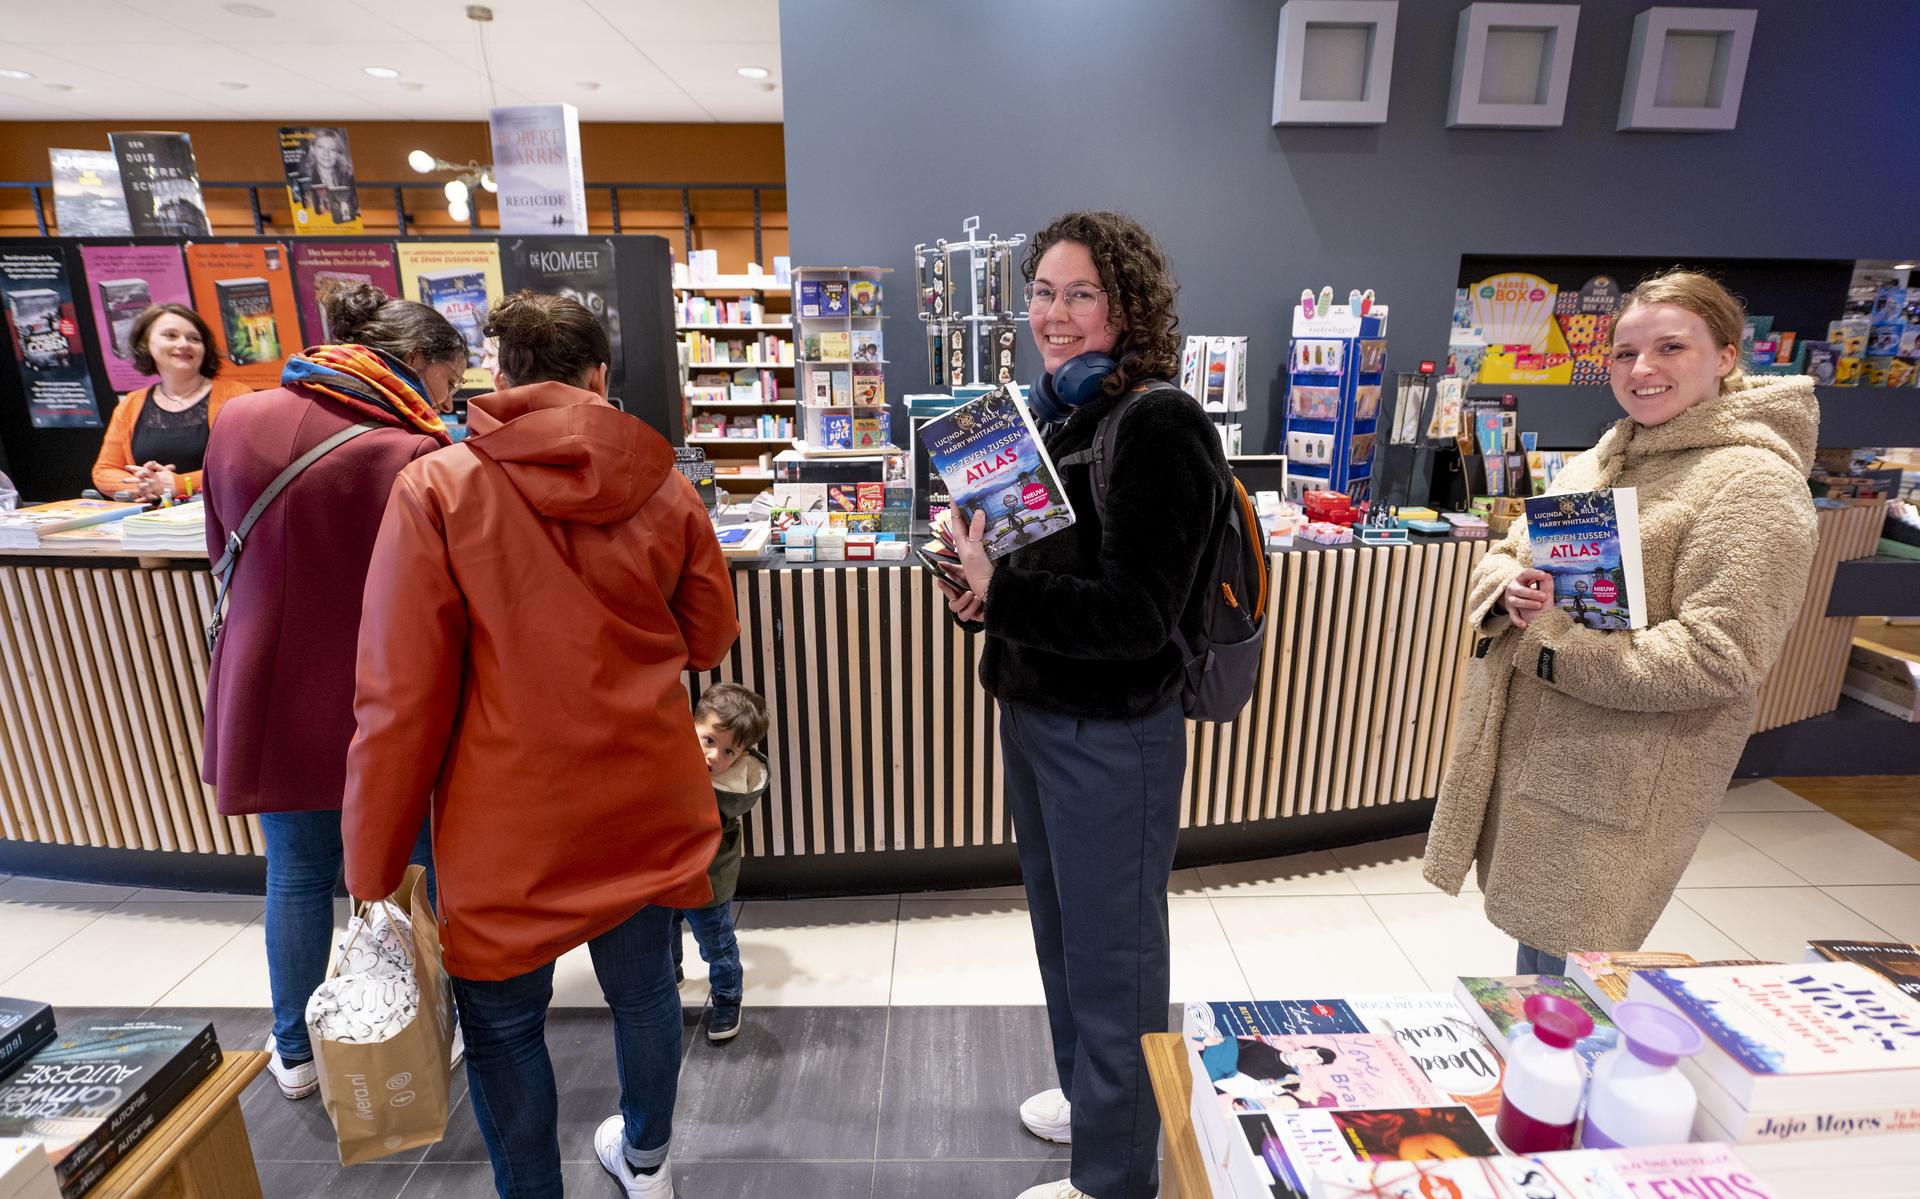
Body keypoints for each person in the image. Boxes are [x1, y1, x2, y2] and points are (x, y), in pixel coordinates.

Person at [341, 290, 738, 1199]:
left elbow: (399, 700)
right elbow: (710, 635)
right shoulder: (665, 483)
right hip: (644, 794)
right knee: (645, 991)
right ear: (600, 375)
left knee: (505, 1027)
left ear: (500, 376)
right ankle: (646, 1158)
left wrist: (372, 867)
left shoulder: (438, 488)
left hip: (506, 822)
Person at [942, 211, 1231, 1199]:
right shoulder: (1056, 414)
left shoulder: (1158, 424)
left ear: (1126, 305)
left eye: (1080, 294)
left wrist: (1011, 593)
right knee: (1063, 937)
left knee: (1115, 961)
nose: (1054, 314)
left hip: (1111, 734)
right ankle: (1093, 1098)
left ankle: (1114, 1175)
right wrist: (985, 592)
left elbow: (1140, 616)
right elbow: (1046, 574)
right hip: (1037, 714)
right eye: (1042, 292)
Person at [1423, 270, 1819, 975]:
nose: (1642, 370)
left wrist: (1549, 643)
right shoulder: (1605, 455)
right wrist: (1507, 589)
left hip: (1615, 780)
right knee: (1540, 963)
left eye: (1671, 347)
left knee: (1570, 978)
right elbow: (1511, 551)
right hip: (1543, 759)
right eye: (1625, 353)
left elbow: (1717, 657)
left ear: (1726, 356)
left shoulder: (1753, 484)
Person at [200, 281, 469, 1099]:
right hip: (378, 689)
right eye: (448, 380)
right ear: (415, 360)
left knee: (295, 870)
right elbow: (438, 589)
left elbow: (219, 545)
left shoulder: (239, 418)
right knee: (410, 864)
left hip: (266, 686)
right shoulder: (409, 452)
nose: (447, 400)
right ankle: (424, 1024)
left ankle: (294, 1048)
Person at [670, 682, 769, 1043]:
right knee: (664, 928)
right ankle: (671, 975)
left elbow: (732, 801)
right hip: (668, 870)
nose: (714, 756)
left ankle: (728, 998)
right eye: (708, 740)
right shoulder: (670, 756)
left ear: (742, 756)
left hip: (710, 876)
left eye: (729, 751)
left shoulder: (730, 785)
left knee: (716, 941)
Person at [91, 304, 251, 500]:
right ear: (146, 344)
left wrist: (179, 484)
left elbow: (246, 464)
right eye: (171, 336)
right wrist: (146, 485)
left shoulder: (236, 396)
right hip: (153, 516)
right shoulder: (131, 404)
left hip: (219, 515)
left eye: (194, 339)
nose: (184, 344)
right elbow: (105, 470)